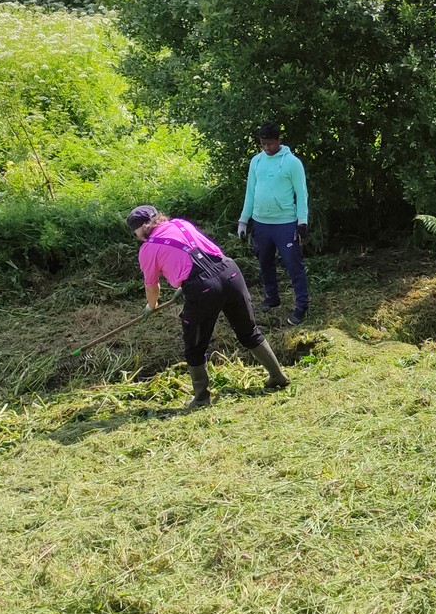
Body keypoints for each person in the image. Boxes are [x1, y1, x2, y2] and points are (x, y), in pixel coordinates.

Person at [128, 205, 289, 408]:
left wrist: (151, 306)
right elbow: (198, 253)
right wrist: (183, 284)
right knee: (248, 331)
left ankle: (202, 397)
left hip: (203, 288)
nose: (137, 238)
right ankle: (278, 376)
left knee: (194, 344)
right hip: (230, 272)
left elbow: (152, 287)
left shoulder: (147, 249)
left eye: (135, 234)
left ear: (141, 228)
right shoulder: (180, 223)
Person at [237, 122, 311, 325]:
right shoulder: (256, 162)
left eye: (270, 144)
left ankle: (301, 305)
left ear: (279, 140)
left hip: (286, 223)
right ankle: (272, 298)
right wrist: (244, 220)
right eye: (263, 144)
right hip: (261, 223)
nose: (267, 148)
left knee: (293, 265)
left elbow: (302, 194)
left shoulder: (292, 163)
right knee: (264, 262)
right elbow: (250, 191)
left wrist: (302, 222)